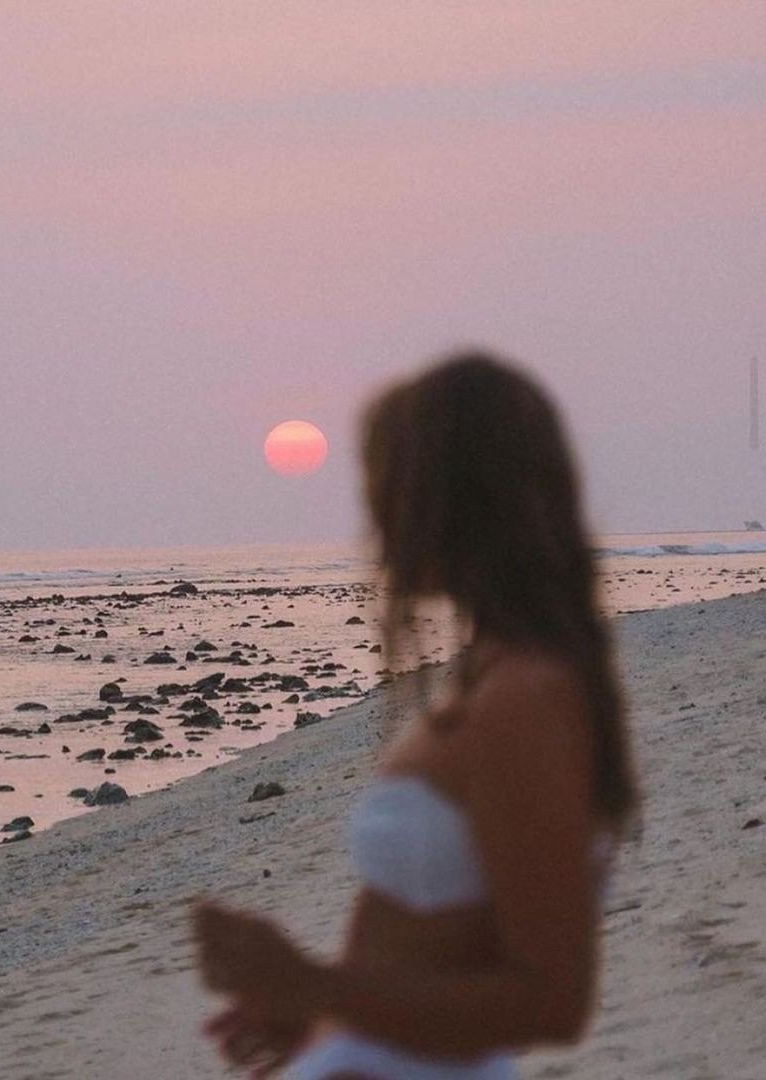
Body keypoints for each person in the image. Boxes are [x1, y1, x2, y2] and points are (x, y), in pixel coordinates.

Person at [192, 350, 638, 1079]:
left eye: (390, 490)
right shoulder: (496, 671)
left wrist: (312, 984)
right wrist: (321, 1018)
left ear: (457, 502)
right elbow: (453, 956)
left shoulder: (525, 695)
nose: (377, 524)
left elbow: (553, 1002)